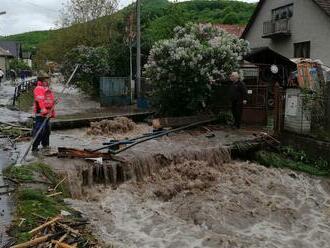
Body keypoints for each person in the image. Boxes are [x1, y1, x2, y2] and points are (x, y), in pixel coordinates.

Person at [32, 73, 56, 152]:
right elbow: (40, 100)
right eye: (47, 79)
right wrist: (43, 109)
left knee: (46, 131)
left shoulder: (46, 88)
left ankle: (45, 146)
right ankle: (35, 148)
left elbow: (48, 99)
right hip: (41, 114)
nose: (48, 81)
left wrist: (54, 102)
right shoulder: (39, 88)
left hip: (47, 114)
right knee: (39, 131)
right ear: (42, 80)